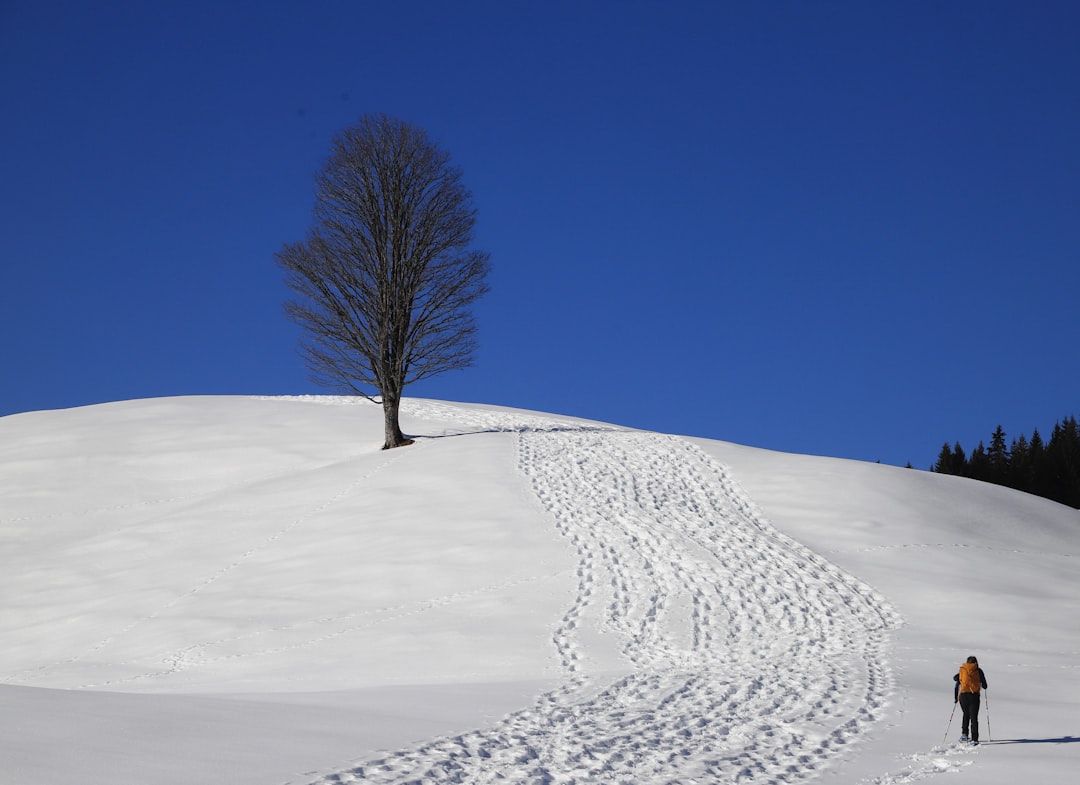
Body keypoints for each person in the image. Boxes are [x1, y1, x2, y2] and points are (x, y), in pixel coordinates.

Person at [953, 655, 988, 744]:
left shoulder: (963, 670)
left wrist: (956, 698)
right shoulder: (978, 671)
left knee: (966, 714)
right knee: (974, 717)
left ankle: (964, 734)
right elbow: (985, 686)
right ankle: (974, 739)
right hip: (974, 696)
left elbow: (957, 684)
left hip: (963, 696)